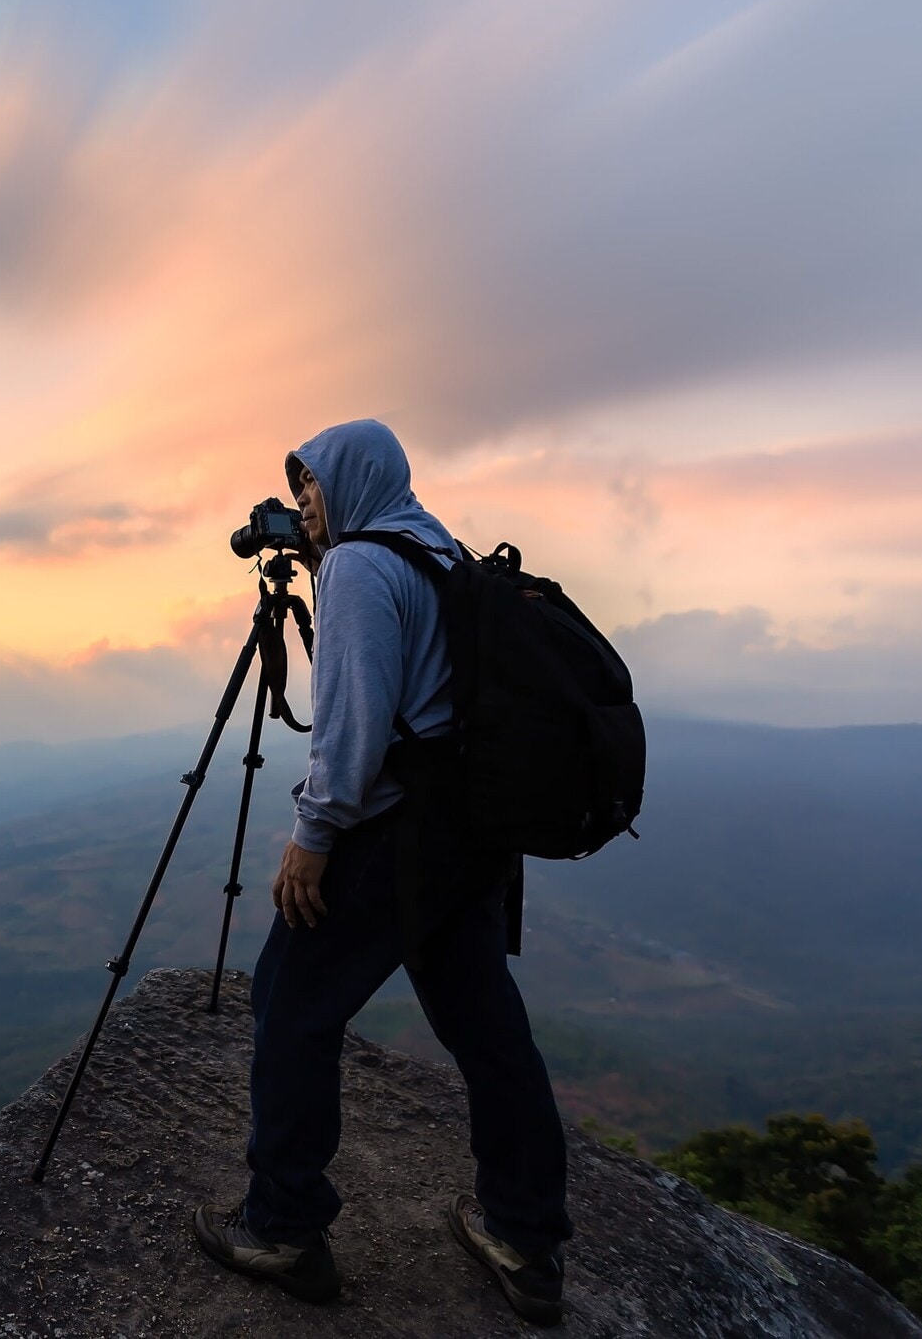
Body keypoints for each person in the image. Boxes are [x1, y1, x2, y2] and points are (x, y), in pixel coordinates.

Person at [190, 419, 574, 1326]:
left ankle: (282, 1227)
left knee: (288, 1003)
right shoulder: (436, 543)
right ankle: (523, 1233)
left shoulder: (363, 566)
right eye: (298, 492)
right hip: (470, 831)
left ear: (352, 480)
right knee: (486, 1026)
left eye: (313, 486)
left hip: (393, 833)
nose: (304, 506)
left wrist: (313, 833)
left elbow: (354, 723)